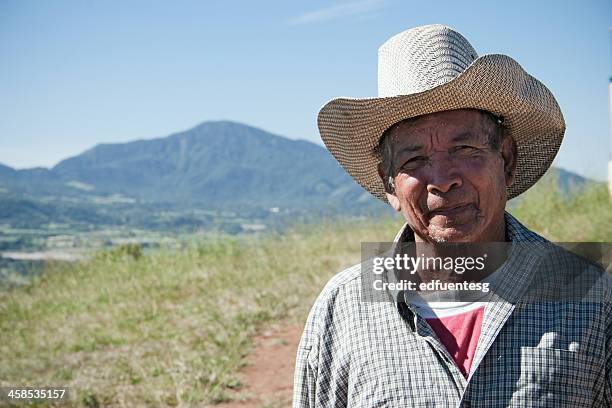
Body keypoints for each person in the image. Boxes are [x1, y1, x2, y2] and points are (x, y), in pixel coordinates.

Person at [293, 24, 611, 407]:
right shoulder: (341, 310)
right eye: (414, 160)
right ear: (389, 185)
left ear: (506, 160)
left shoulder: (595, 300)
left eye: (465, 148)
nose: (442, 181)